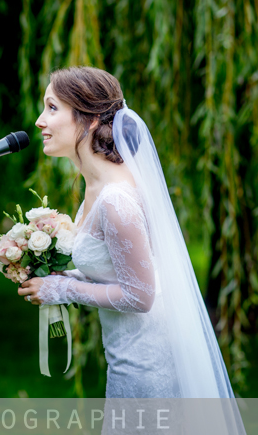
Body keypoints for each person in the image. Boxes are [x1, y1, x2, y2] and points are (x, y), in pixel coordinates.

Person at [17, 67, 244, 432]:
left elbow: (140, 295)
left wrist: (62, 288)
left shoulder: (115, 200)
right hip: (127, 352)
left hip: (147, 360)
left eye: (52, 107)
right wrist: (54, 273)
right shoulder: (96, 187)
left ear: (90, 119)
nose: (40, 121)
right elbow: (114, 270)